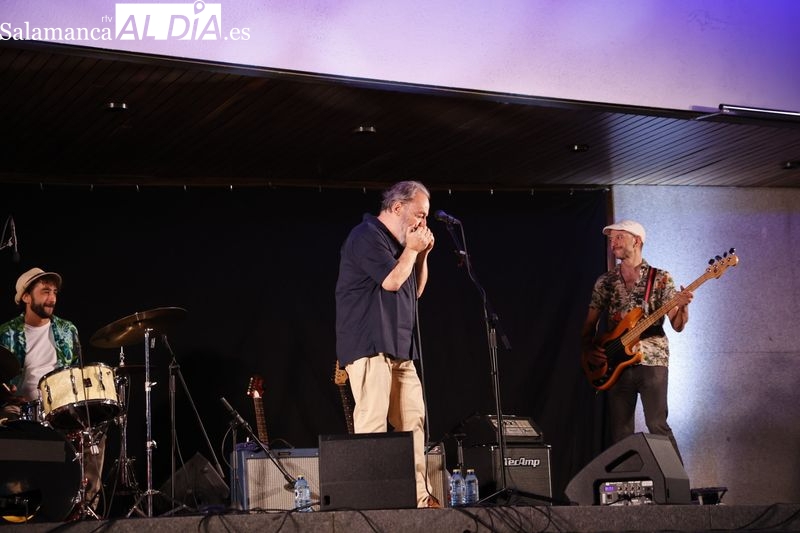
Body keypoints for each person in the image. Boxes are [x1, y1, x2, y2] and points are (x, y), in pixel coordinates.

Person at [335, 180, 436, 508]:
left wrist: (422, 256)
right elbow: (392, 281)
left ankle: (421, 499)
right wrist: (411, 250)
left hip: (400, 348)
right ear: (397, 208)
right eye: (419, 214)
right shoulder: (366, 236)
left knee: (413, 423)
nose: (422, 222)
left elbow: (414, 291)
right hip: (369, 346)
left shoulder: (401, 245)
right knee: (373, 424)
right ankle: (370, 503)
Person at [580, 220, 692, 462]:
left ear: (637, 241)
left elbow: (678, 325)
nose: (613, 243)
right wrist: (589, 350)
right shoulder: (605, 282)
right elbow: (589, 324)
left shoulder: (661, 278)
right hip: (615, 363)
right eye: (611, 239)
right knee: (620, 432)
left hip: (652, 359)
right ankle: (625, 489)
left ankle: (678, 489)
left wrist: (682, 307)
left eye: (619, 237)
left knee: (657, 424)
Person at [0, 267, 105, 516]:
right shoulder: (6, 332)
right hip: (19, 405)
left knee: (94, 430)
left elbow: (77, 373)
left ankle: (86, 507)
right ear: (26, 297)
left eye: (54, 292)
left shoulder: (68, 330)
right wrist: (7, 393)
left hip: (59, 404)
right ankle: (11, 506)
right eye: (45, 291)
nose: (52, 298)